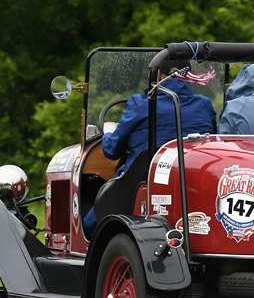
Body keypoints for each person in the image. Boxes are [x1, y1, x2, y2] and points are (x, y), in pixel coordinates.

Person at [83, 59, 217, 238]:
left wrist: (108, 131)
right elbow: (213, 144)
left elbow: (111, 150)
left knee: (88, 226)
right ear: (189, 78)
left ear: (159, 75)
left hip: (140, 183)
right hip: (191, 184)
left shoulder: (140, 103)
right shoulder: (205, 105)